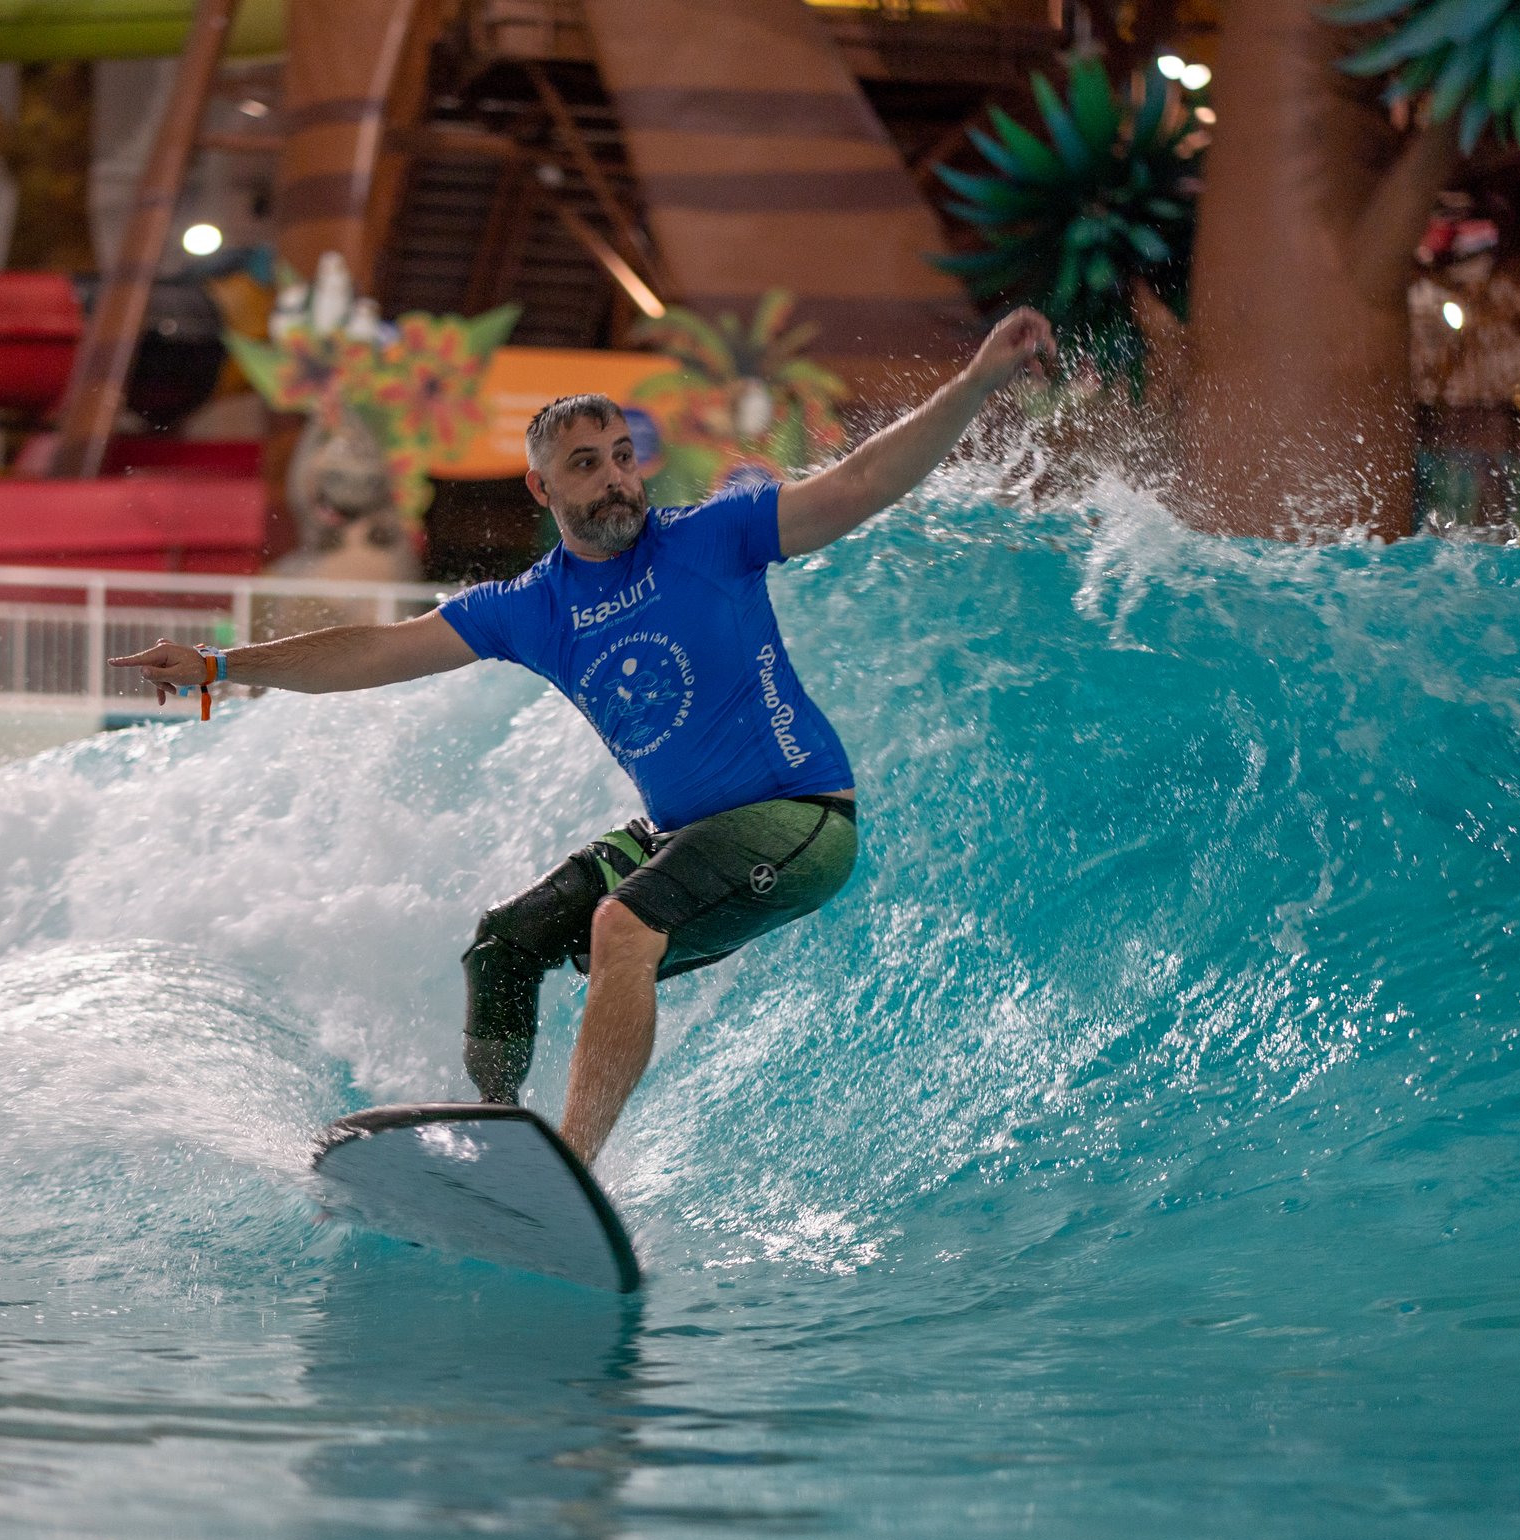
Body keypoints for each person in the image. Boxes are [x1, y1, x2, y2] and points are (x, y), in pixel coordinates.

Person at [113, 307, 1057, 1166]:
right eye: (585, 463)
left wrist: (975, 382)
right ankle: (501, 1144)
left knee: (622, 923)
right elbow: (376, 651)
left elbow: (860, 482)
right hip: (686, 834)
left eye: (620, 455)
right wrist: (222, 666)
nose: (613, 476)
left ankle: (572, 1164)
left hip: (798, 815)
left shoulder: (713, 536)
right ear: (540, 486)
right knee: (504, 946)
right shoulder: (533, 607)